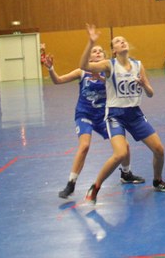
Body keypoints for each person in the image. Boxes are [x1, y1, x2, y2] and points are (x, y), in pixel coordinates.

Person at [80, 25, 165, 203]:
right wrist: (91, 42)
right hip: (115, 115)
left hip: (135, 114)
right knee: (120, 153)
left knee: (159, 150)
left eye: (123, 40)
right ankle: (96, 186)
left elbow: (150, 93)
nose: (122, 42)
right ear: (114, 50)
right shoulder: (109, 65)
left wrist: (144, 85)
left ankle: (157, 180)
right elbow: (84, 65)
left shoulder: (138, 65)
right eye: (117, 41)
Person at [45, 47, 144, 199]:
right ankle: (71, 183)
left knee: (125, 146)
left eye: (100, 51)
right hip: (85, 114)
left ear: (105, 56)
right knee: (84, 146)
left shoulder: (110, 72)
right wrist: (51, 68)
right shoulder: (82, 72)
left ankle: (126, 174)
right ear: (89, 58)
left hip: (103, 115)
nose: (97, 52)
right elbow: (57, 80)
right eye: (94, 51)